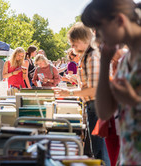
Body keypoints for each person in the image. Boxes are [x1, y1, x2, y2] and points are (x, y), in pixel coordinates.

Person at [82, 0, 141, 164]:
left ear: (120, 21)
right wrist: (105, 61)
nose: (97, 37)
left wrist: (134, 102)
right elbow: (105, 112)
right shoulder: (124, 61)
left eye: (99, 29)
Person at [55, 22, 110, 165]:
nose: (72, 48)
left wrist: (69, 92)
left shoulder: (92, 56)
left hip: (97, 107)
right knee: (98, 151)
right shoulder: (89, 56)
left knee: (100, 153)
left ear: (84, 39)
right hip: (94, 106)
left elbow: (96, 88)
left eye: (74, 44)